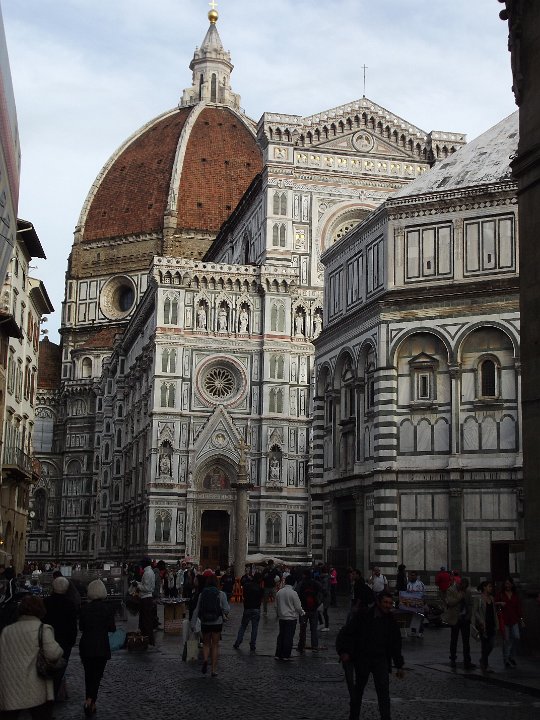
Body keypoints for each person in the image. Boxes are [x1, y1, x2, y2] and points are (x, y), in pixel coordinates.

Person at [336, 591, 405, 720]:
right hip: (363, 658)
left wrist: (399, 665)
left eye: (390, 603)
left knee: (383, 692)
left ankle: (386, 717)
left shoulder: (391, 620)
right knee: (358, 691)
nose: (388, 605)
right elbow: (347, 633)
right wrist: (344, 651)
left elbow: (396, 644)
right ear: (378, 602)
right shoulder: (363, 615)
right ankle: (354, 716)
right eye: (385, 602)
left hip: (381, 660)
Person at [0, 594, 63, 720]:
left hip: (10, 685)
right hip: (34, 685)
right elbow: (54, 653)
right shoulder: (42, 629)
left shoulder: (7, 631)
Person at [79, 580, 116, 716]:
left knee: (88, 675)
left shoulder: (84, 608)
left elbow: (81, 627)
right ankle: (91, 700)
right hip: (101, 644)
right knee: (97, 675)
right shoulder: (108, 608)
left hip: (86, 644)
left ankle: (90, 701)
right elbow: (112, 628)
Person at [43, 576, 78, 698]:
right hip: (65, 641)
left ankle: (47, 693)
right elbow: (73, 626)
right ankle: (54, 692)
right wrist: (71, 641)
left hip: (48, 638)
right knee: (60, 669)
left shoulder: (46, 602)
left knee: (46, 667)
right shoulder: (70, 604)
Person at [192, 574, 229, 677]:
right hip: (217, 622)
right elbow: (227, 609)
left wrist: (193, 623)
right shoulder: (221, 594)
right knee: (215, 645)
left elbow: (197, 610)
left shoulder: (202, 594)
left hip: (205, 622)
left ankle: (205, 660)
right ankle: (213, 669)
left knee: (206, 644)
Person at [444, 577, 475, 671]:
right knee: (454, 640)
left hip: (465, 619)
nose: (464, 589)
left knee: (466, 641)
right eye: (463, 587)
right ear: (459, 584)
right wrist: (459, 597)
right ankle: (453, 658)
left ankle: (467, 660)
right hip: (455, 619)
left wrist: (469, 615)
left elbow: (470, 604)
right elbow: (450, 602)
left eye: (466, 587)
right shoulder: (451, 590)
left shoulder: (467, 591)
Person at [275, 575, 304, 661]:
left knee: (281, 636)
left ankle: (278, 654)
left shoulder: (279, 592)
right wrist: (302, 613)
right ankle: (286, 655)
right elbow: (298, 607)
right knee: (288, 637)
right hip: (291, 618)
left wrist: (279, 614)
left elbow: (276, 606)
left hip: (282, 618)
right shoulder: (293, 593)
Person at [495, 577, 523, 668]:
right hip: (504, 619)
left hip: (514, 619)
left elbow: (518, 607)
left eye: (509, 583)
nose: (507, 585)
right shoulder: (501, 594)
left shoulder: (515, 594)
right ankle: (506, 659)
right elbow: (494, 603)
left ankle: (511, 656)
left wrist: (521, 618)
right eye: (506, 584)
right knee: (506, 640)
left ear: (512, 585)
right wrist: (500, 603)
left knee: (516, 637)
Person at [233, 572, 264, 652]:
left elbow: (244, 595)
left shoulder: (247, 586)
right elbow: (261, 598)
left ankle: (238, 642)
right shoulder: (260, 589)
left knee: (243, 626)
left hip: (247, 608)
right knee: (254, 628)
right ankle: (252, 645)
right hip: (256, 608)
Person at [473, 580, 498, 674]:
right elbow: (475, 612)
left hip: (492, 624)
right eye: (489, 586)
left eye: (491, 587)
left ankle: (483, 660)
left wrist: (497, 623)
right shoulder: (479, 598)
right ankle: (485, 665)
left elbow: (494, 612)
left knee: (491, 644)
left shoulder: (492, 598)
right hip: (483, 625)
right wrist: (480, 620)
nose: (491, 588)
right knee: (484, 645)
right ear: (484, 587)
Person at [296, 570, 323, 652]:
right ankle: (315, 646)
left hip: (303, 609)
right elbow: (322, 593)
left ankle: (301, 646)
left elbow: (296, 594)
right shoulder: (316, 583)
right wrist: (318, 603)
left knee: (303, 628)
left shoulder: (301, 583)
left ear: (304, 575)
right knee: (314, 629)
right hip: (314, 609)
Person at [136, 557, 155, 645]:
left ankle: (147, 640)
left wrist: (137, 585)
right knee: (147, 620)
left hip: (145, 598)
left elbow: (146, 588)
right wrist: (138, 583)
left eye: (142, 563)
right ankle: (148, 639)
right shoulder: (150, 572)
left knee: (145, 621)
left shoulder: (147, 573)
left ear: (145, 563)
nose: (141, 565)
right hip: (147, 598)